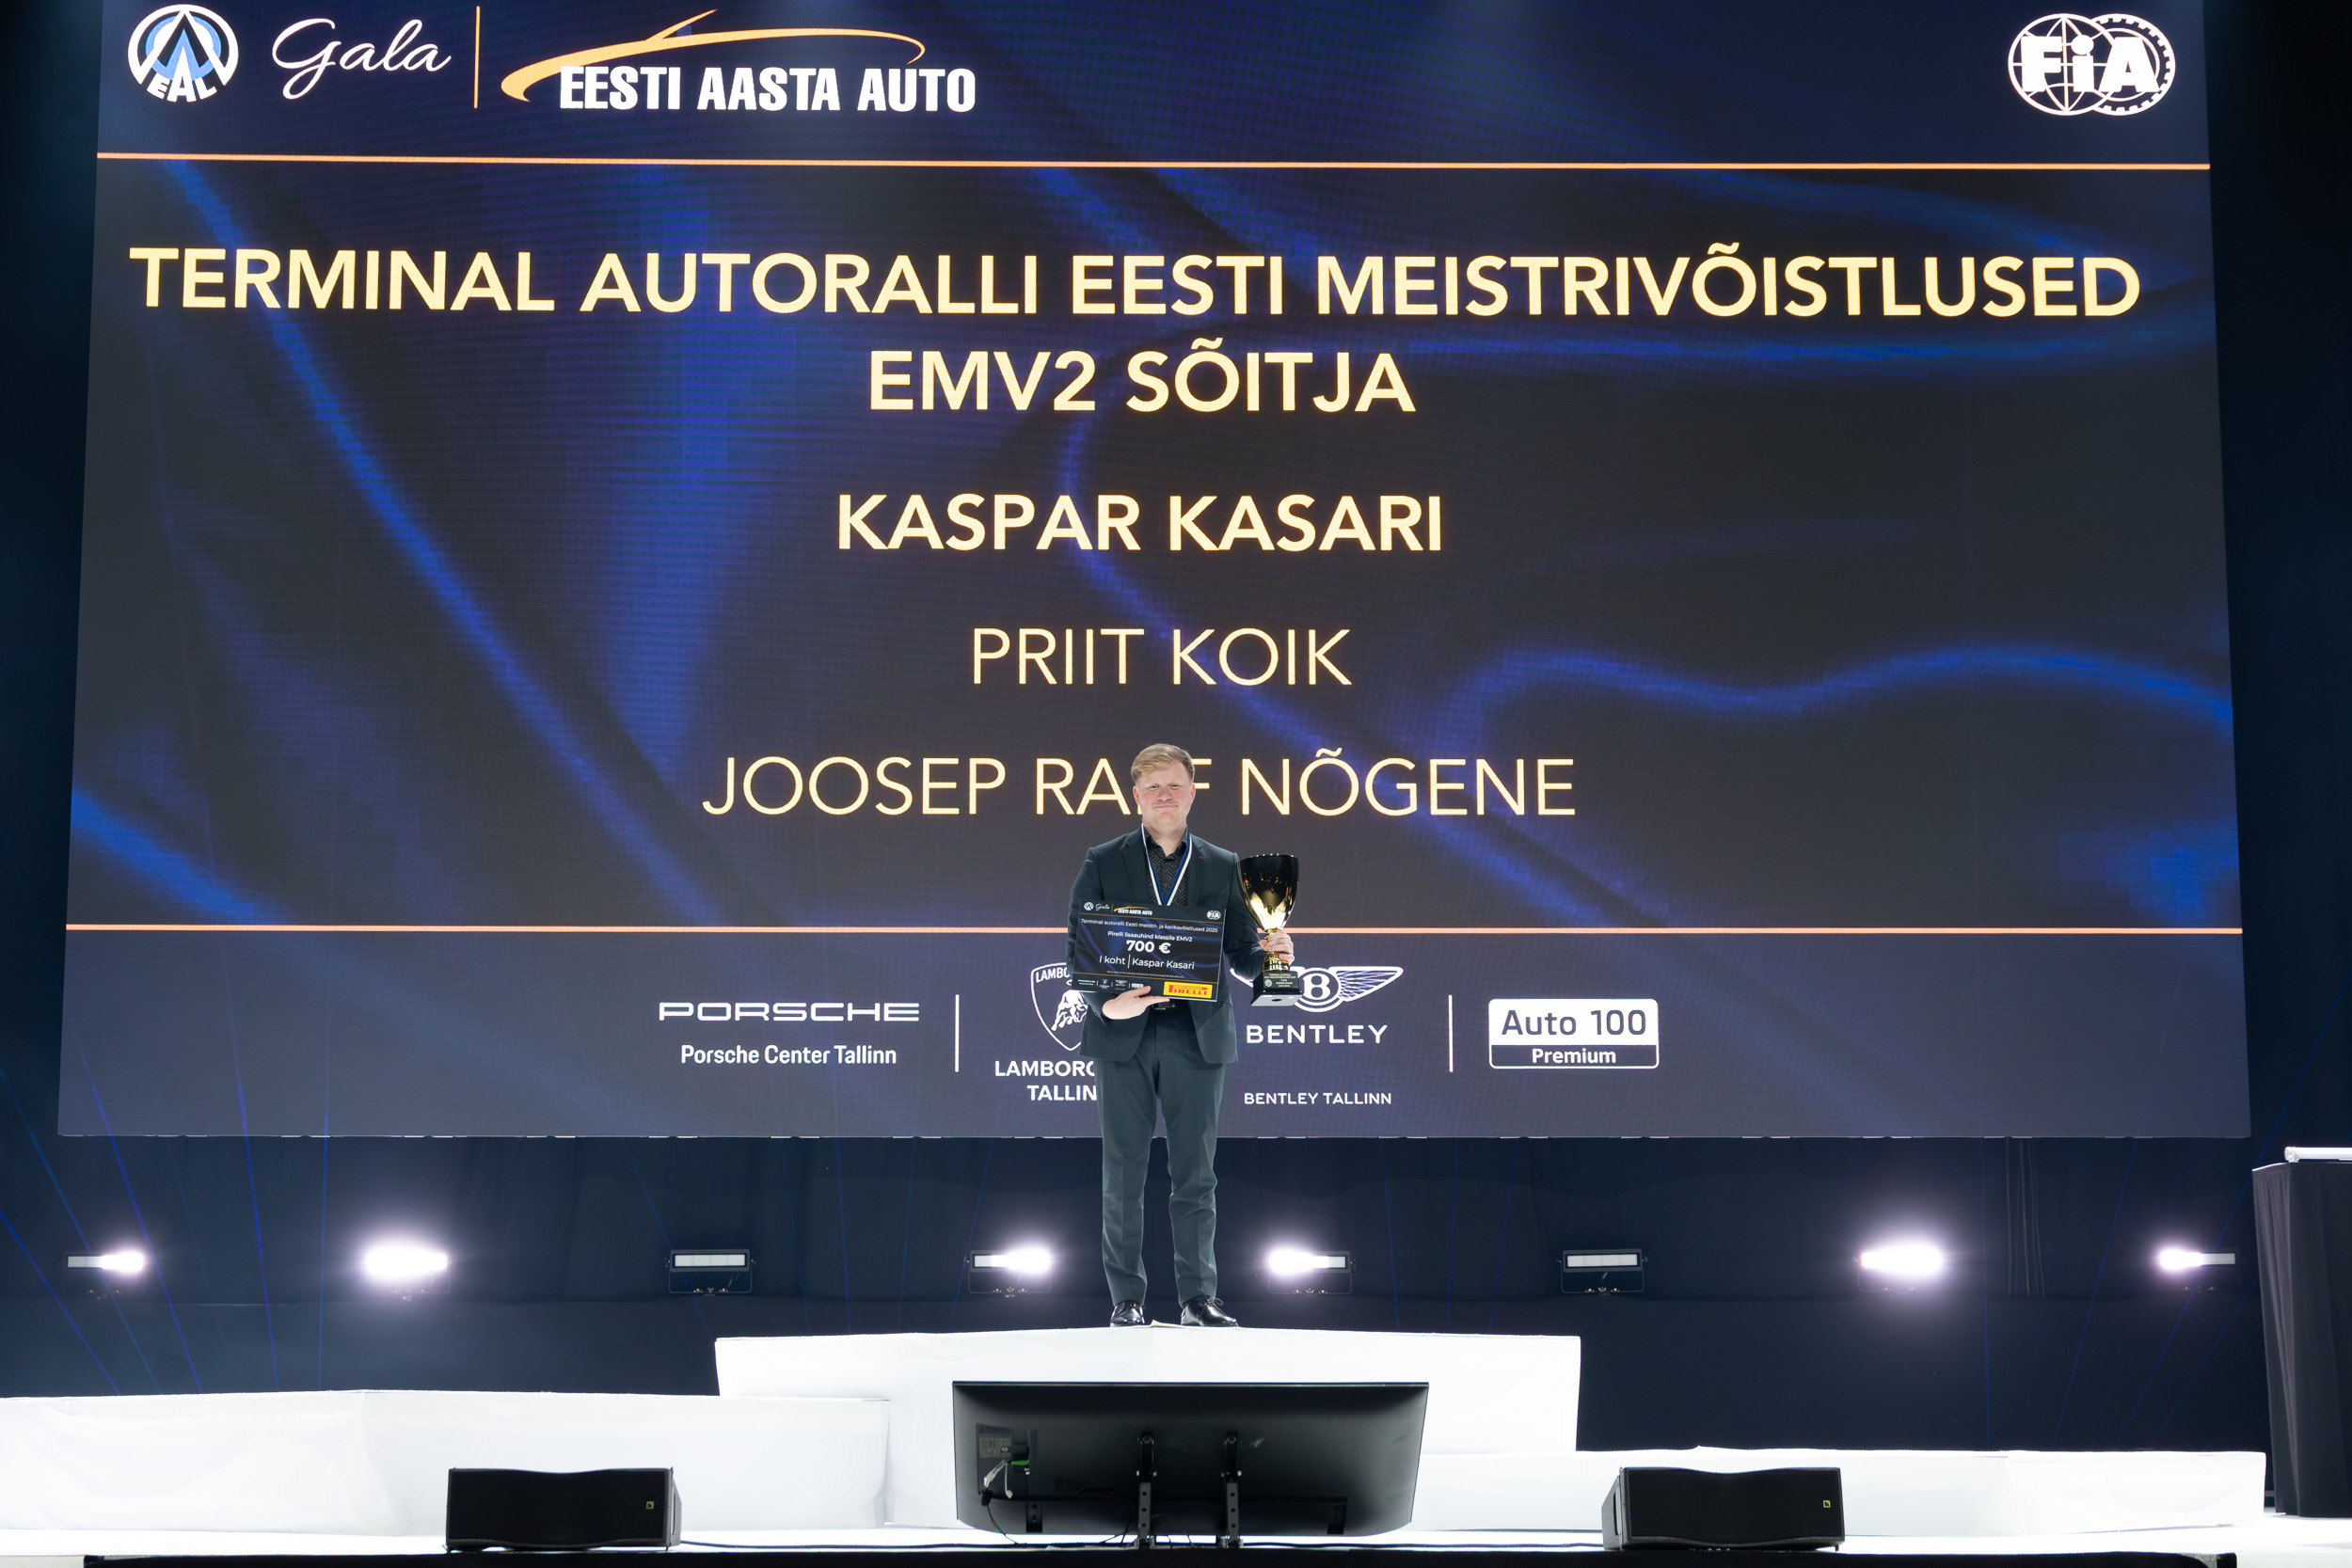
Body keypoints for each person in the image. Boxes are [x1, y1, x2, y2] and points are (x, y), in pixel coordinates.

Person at [1067, 743, 1294, 1327]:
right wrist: (1106, 1004)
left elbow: (1241, 952)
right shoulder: (1103, 860)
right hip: (1125, 1032)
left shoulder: (1223, 864)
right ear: (1135, 796)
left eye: (1174, 785)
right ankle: (1126, 1300)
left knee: (1196, 1173)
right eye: (1152, 787)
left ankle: (1198, 1298)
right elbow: (1079, 947)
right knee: (1123, 1171)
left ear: (1192, 792)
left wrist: (1272, 958)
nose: (1163, 796)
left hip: (1197, 1033)